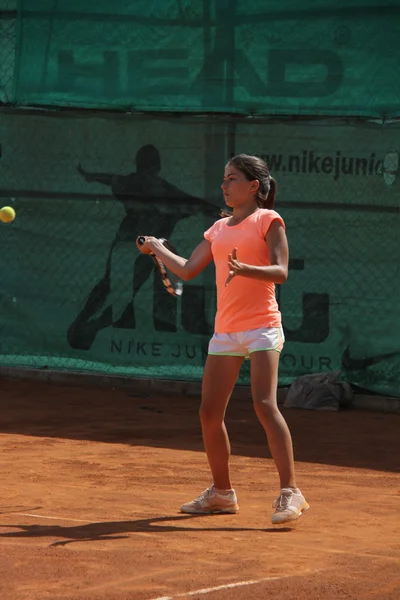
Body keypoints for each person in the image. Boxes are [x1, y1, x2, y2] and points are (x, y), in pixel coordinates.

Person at [136, 154, 309, 525]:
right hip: (227, 330)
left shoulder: (269, 220)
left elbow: (281, 272)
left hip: (262, 325)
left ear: (253, 186)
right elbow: (187, 268)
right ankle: (221, 493)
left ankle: (290, 492)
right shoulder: (217, 229)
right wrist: (156, 246)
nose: (224, 185)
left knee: (264, 404)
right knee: (209, 413)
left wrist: (247, 268)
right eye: (223, 179)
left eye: (232, 179)